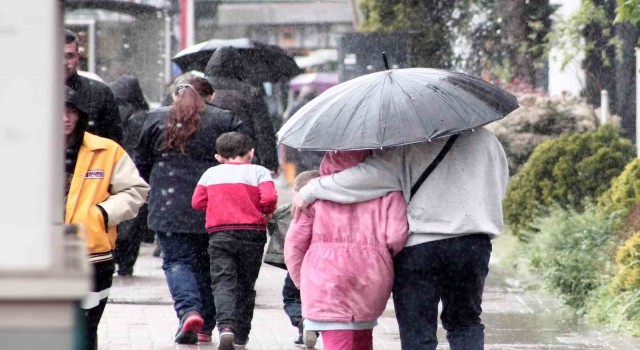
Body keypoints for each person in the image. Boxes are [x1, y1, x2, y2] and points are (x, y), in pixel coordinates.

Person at [292, 129, 509, 350]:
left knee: (418, 333)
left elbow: (368, 177)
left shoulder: (412, 139)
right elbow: (498, 186)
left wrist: (312, 189)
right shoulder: (487, 140)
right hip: (472, 244)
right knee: (465, 323)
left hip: (420, 247)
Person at [135, 77, 244, 344]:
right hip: (213, 203)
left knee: (177, 262)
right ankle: (206, 326)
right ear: (212, 96)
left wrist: (156, 185)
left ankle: (189, 311)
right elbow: (241, 156)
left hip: (168, 203)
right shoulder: (224, 119)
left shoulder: (155, 119)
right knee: (208, 265)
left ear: (175, 96)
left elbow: (141, 162)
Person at [285, 150, 408, 350]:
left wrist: (302, 280)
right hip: (370, 276)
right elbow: (397, 235)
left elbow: (294, 244)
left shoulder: (313, 194)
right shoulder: (388, 193)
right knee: (362, 336)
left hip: (325, 278)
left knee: (336, 339)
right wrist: (380, 257)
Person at [63, 86, 149, 350]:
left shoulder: (105, 151)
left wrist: (101, 214)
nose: (65, 118)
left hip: (92, 256)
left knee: (84, 330)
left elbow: (136, 190)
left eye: (71, 111)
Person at [192, 132, 278, 350]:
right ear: (251, 152)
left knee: (223, 283)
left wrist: (218, 207)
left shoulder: (211, 174)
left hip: (220, 234)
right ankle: (241, 336)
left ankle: (226, 328)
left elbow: (197, 202)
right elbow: (269, 198)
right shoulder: (259, 172)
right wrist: (265, 211)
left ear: (219, 156)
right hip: (252, 234)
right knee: (246, 285)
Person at [263, 170, 321, 347]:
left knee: (292, 298)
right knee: (318, 299)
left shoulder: (289, 211)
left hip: (297, 266)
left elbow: (270, 221)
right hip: (321, 265)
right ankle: (311, 325)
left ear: (297, 192)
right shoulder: (327, 210)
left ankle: (300, 321)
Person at [204, 46, 279, 172]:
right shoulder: (249, 92)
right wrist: (269, 163)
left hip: (208, 156)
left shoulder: (200, 90)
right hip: (243, 157)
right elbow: (263, 131)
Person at [109, 74, 154, 276]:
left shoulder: (108, 113)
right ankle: (127, 262)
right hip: (135, 171)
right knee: (133, 219)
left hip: (112, 170)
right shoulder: (143, 117)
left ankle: (111, 253)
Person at [64, 29, 122, 143]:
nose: (63, 62)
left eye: (69, 56)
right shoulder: (31, 93)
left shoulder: (100, 92)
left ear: (78, 57)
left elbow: (114, 141)